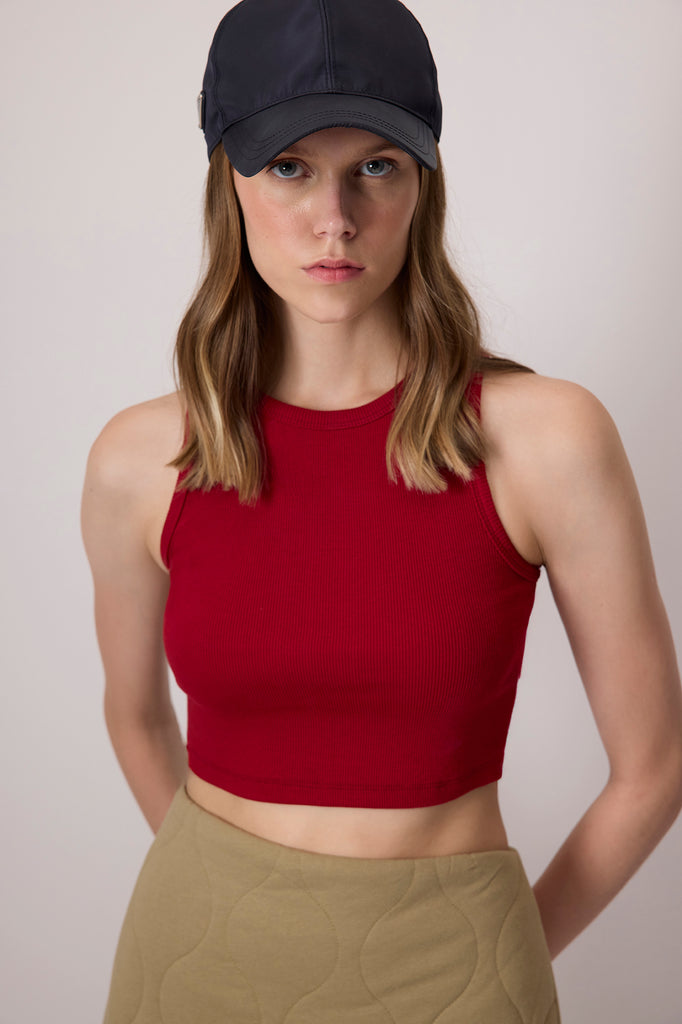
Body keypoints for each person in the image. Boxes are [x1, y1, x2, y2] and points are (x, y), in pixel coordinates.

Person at [80, 1, 682, 1021]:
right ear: (229, 179)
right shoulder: (143, 458)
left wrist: (495, 950)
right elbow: (134, 716)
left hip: (455, 974)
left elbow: (655, 765)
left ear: (422, 183)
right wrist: (228, 894)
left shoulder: (546, 440)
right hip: (194, 959)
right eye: (290, 167)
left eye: (375, 166)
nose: (336, 218)